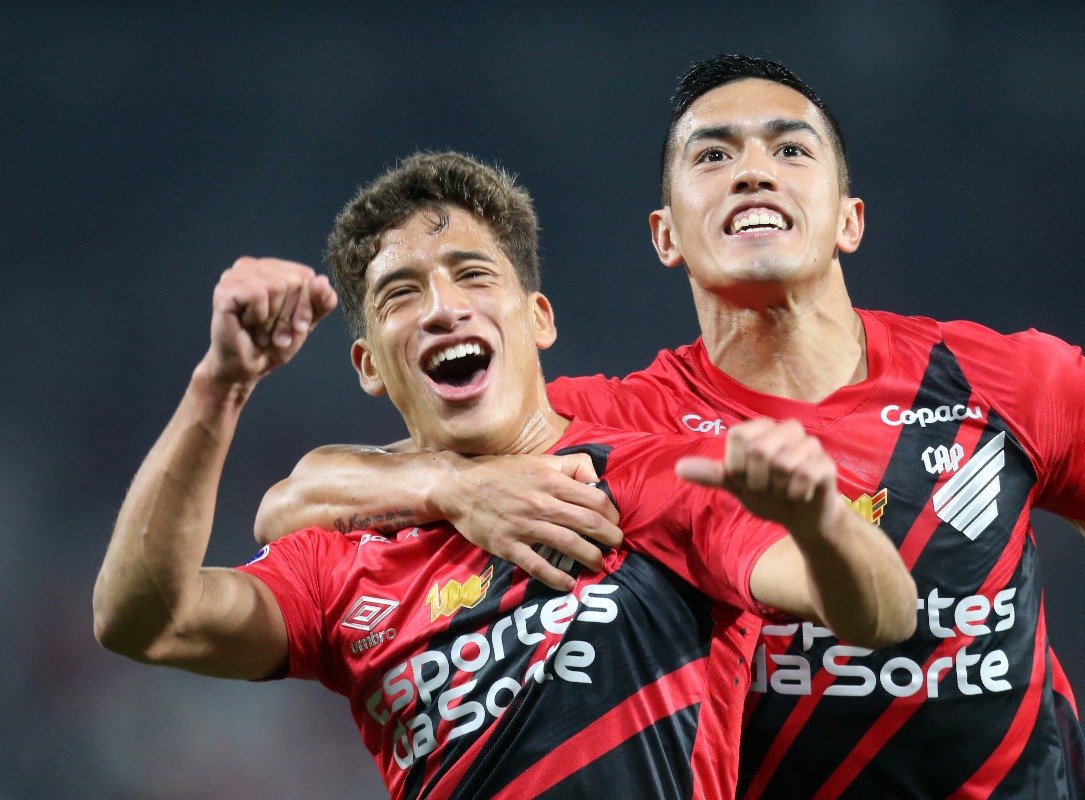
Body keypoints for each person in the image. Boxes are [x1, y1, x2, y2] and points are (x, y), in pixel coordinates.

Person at [255, 57, 1085, 800]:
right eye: (712, 154)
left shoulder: (1011, 378)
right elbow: (296, 499)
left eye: (791, 150)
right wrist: (447, 485)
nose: (753, 167)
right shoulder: (618, 424)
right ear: (667, 234)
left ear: (848, 220)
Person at [92, 151, 916, 800]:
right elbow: (143, 620)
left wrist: (821, 522)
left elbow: (883, 612)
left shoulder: (648, 480)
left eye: (473, 274)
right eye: (401, 294)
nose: (443, 307)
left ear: (538, 320)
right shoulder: (347, 562)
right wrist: (221, 385)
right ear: (368, 366)